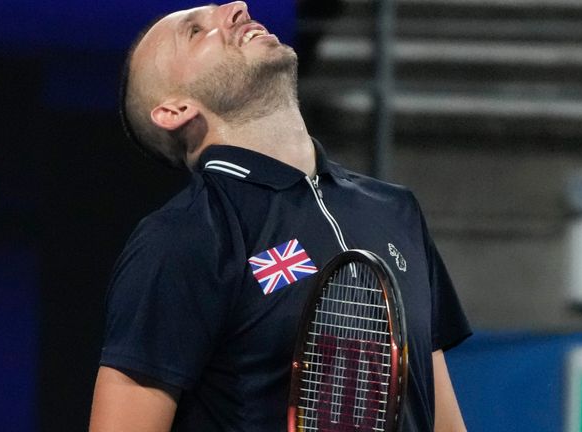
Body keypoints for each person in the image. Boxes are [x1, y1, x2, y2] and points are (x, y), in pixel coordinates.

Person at [89, 2, 472, 431]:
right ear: (175, 109)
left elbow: (442, 421)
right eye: (196, 32)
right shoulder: (182, 238)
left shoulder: (397, 210)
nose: (237, 8)